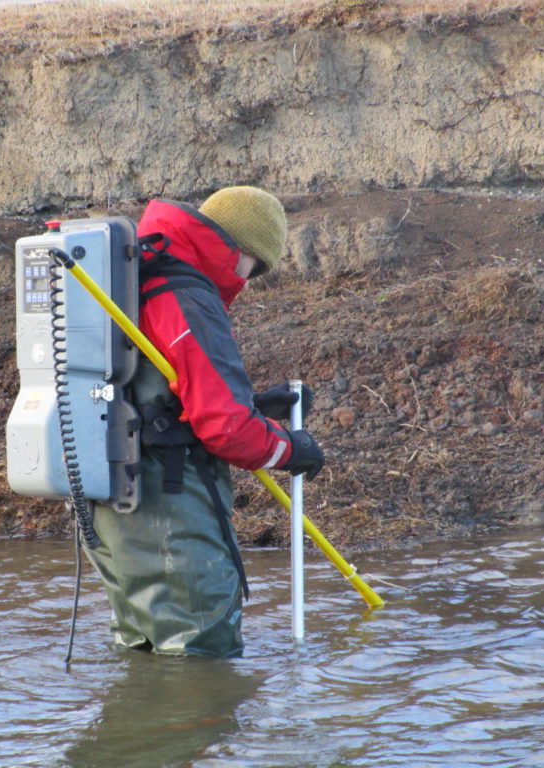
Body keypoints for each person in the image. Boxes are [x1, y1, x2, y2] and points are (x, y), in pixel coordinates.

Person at [83, 186, 325, 658]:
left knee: (144, 643)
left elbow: (157, 391)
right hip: (166, 499)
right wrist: (291, 448)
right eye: (256, 267)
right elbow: (226, 429)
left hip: (109, 494)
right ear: (241, 251)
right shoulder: (186, 293)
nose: (249, 280)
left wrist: (257, 404)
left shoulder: (135, 271)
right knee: (201, 650)